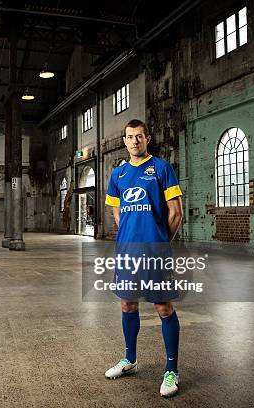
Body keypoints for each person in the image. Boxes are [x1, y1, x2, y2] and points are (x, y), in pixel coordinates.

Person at [103, 119, 183, 397]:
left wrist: (160, 242)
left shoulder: (161, 168)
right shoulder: (118, 174)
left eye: (139, 136)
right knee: (127, 305)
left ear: (147, 138)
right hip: (127, 253)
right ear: (124, 141)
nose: (134, 141)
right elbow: (117, 212)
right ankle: (130, 361)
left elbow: (176, 213)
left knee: (163, 308)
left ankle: (171, 371)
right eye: (129, 137)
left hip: (154, 253)